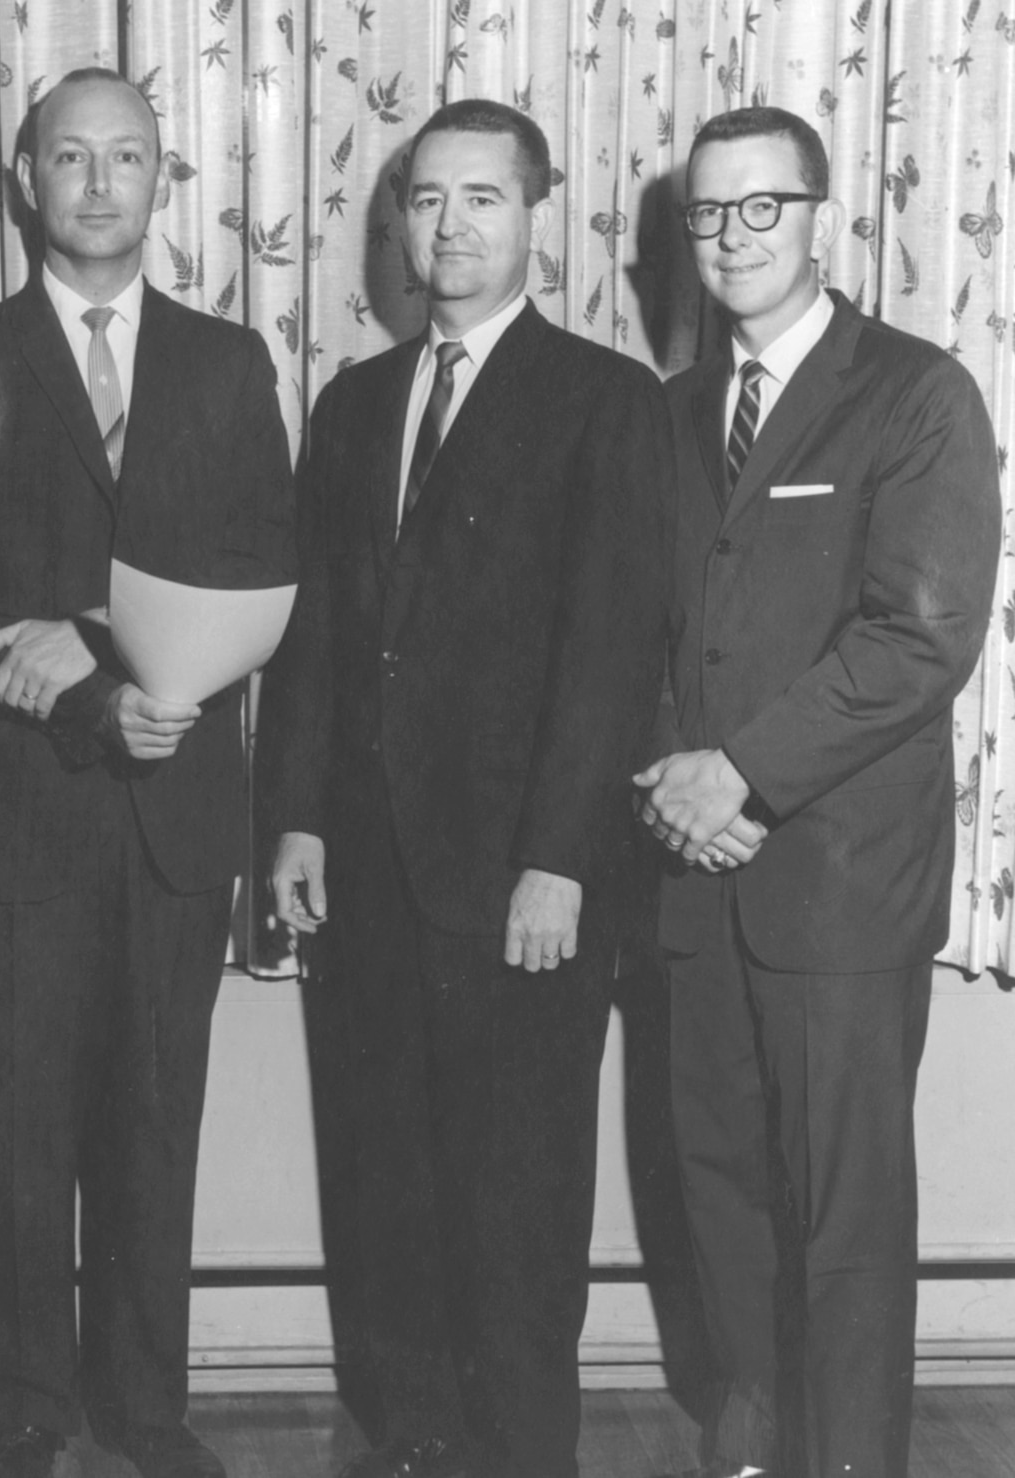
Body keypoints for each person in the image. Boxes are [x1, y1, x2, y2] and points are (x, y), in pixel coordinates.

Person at [255, 98, 671, 1478]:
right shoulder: (357, 400)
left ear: (534, 212)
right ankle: (411, 1440)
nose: (449, 228)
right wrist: (297, 816)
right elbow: (318, 634)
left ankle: (520, 1452)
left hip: (521, 883)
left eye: (480, 199)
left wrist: (559, 854)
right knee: (384, 1183)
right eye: (426, 201)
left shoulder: (603, 398)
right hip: (367, 875)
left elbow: (612, 651)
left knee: (516, 1197)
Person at [0, 67, 296, 1478]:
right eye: (72, 157)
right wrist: (86, 673)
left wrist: (140, 681)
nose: (101, 183)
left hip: (178, 816)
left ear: (164, 180)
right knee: (4, 1125)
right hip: (11, 815)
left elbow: (269, 577)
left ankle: (142, 1403)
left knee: (152, 1123)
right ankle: (14, 1404)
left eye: (128, 156)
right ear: (23, 179)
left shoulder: (229, 364)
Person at [635, 106, 999, 1478]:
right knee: (718, 1185)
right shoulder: (668, 414)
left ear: (820, 215)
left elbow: (918, 638)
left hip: (838, 883)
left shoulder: (913, 392)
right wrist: (679, 781)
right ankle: (748, 1440)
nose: (731, 239)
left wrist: (742, 773)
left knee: (843, 1215)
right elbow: (645, 628)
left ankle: (851, 1461)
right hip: (693, 871)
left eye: (760, 209)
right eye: (708, 215)